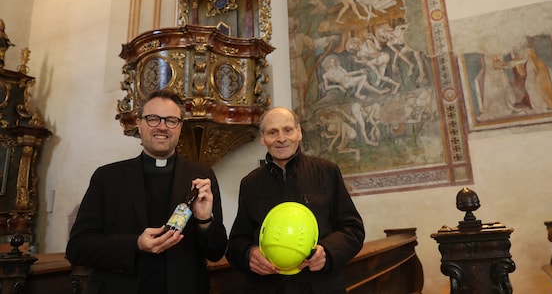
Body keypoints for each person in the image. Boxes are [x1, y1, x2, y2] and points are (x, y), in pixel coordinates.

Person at [66, 89, 228, 294]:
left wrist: (205, 221)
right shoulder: (107, 177)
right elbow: (78, 248)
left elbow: (216, 252)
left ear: (179, 127)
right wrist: (136, 244)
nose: (162, 126)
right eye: (153, 119)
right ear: (139, 124)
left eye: (171, 120)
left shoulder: (201, 177)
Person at [226, 107, 365, 294]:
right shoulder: (250, 184)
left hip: (321, 286)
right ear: (263, 138)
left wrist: (328, 252)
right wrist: (248, 254)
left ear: (299, 132)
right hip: (268, 288)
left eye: (288, 130)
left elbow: (353, 230)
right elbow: (236, 242)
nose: (281, 138)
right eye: (272, 132)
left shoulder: (327, 171)